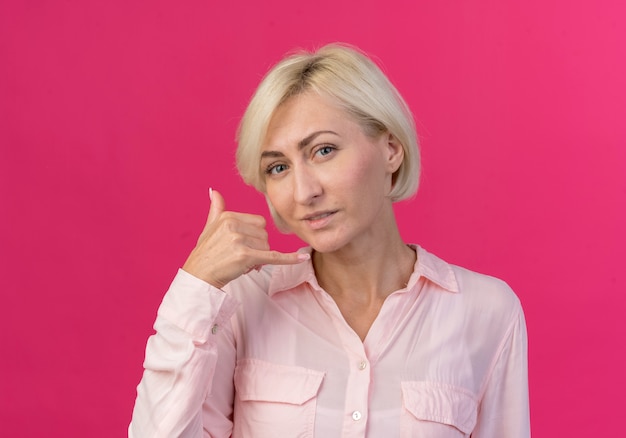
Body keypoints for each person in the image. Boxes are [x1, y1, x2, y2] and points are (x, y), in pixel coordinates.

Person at [129, 43, 530, 437]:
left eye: (323, 150)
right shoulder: (240, 304)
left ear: (391, 149)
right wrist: (196, 286)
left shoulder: (486, 312)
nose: (304, 192)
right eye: (279, 167)